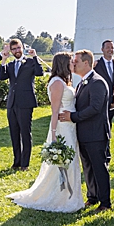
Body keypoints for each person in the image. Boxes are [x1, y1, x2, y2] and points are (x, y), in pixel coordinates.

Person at [7, 52, 83, 212]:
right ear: (64, 64)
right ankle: (59, 197)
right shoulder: (56, 83)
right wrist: (54, 134)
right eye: (71, 62)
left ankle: (69, 194)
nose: (73, 64)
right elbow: (54, 111)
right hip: (62, 128)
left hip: (71, 126)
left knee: (71, 161)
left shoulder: (64, 81)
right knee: (63, 162)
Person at [59, 49, 111, 211]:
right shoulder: (82, 82)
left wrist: (73, 117)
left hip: (96, 133)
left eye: (76, 62)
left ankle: (105, 203)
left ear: (86, 63)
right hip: (84, 133)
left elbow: (95, 108)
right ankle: (92, 196)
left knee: (99, 167)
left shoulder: (97, 82)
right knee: (88, 167)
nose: (73, 64)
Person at [0, 38, 44, 171]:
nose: (17, 51)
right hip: (12, 103)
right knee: (14, 133)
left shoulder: (30, 62)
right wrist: (4, 60)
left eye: (18, 48)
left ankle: (25, 164)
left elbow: (40, 72)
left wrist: (35, 57)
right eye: (14, 49)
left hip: (26, 102)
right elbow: (1, 77)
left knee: (25, 133)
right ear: (11, 51)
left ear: (22, 48)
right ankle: (16, 162)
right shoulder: (10, 65)